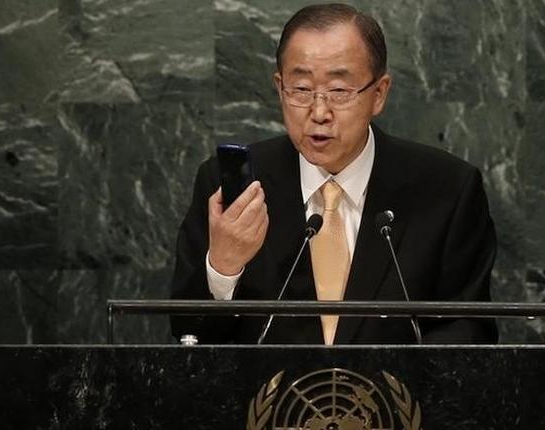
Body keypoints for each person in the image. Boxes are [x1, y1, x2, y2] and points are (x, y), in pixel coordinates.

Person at [170, 3, 497, 344]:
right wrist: (224, 267)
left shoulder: (447, 190)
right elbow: (189, 338)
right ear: (280, 87)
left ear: (379, 94)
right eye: (301, 89)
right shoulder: (234, 187)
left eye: (339, 91)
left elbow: (469, 331)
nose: (319, 111)